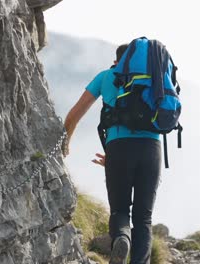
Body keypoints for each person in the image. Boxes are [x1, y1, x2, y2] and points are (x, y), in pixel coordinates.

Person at [63, 44, 162, 264]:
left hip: (118, 147)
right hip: (151, 148)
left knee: (120, 209)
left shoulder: (106, 76)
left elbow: (75, 114)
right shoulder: (152, 77)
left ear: (117, 60)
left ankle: (122, 238)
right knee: (144, 217)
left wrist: (66, 142)